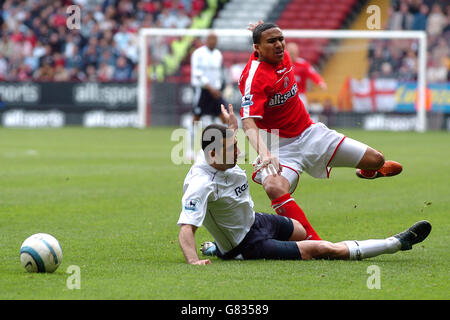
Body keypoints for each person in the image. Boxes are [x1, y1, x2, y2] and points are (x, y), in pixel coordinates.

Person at [177, 104, 431, 264]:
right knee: (319, 248)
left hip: (256, 221)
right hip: (246, 244)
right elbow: (186, 228)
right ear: (212, 156)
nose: (238, 152)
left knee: (299, 230)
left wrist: (232, 126)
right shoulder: (201, 183)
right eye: (231, 149)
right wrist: (193, 261)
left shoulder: (216, 154)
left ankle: (219, 247)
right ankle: (396, 243)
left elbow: (223, 143)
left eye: (235, 145)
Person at [238, 22, 403, 241]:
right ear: (257, 48)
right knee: (273, 187)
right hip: (281, 148)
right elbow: (248, 123)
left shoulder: (283, 56)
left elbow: (269, 44)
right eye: (272, 41)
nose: (279, 45)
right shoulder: (254, 79)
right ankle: (312, 241)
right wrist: (265, 153)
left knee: (377, 159)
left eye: (281, 39)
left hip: (311, 134)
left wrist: (261, 31)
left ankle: (370, 171)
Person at [188, 32, 227, 158]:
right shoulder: (198, 54)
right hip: (202, 90)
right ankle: (189, 149)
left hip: (215, 91)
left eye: (215, 39)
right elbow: (197, 73)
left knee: (225, 118)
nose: (213, 41)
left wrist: (219, 87)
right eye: (211, 39)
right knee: (196, 118)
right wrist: (210, 88)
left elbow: (219, 74)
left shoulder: (218, 54)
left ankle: (230, 148)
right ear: (206, 40)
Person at [286, 42, 327, 107]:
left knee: (302, 114)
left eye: (293, 52)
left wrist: (320, 82)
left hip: (300, 96)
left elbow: (313, 74)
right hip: (285, 96)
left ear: (297, 52)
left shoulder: (303, 64)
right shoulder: (281, 65)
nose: (292, 55)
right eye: (290, 52)